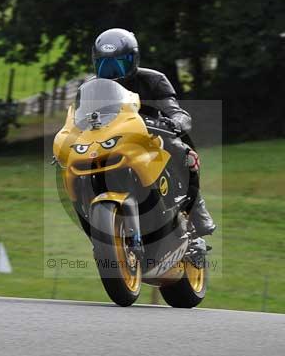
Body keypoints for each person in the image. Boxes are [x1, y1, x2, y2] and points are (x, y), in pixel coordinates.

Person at [91, 27, 216, 237]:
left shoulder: (153, 80)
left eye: (118, 63)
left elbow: (176, 111)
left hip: (152, 136)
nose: (111, 71)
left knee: (185, 155)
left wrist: (176, 123)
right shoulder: (91, 88)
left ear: (133, 59)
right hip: (109, 140)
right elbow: (78, 118)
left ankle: (196, 209)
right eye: (104, 64)